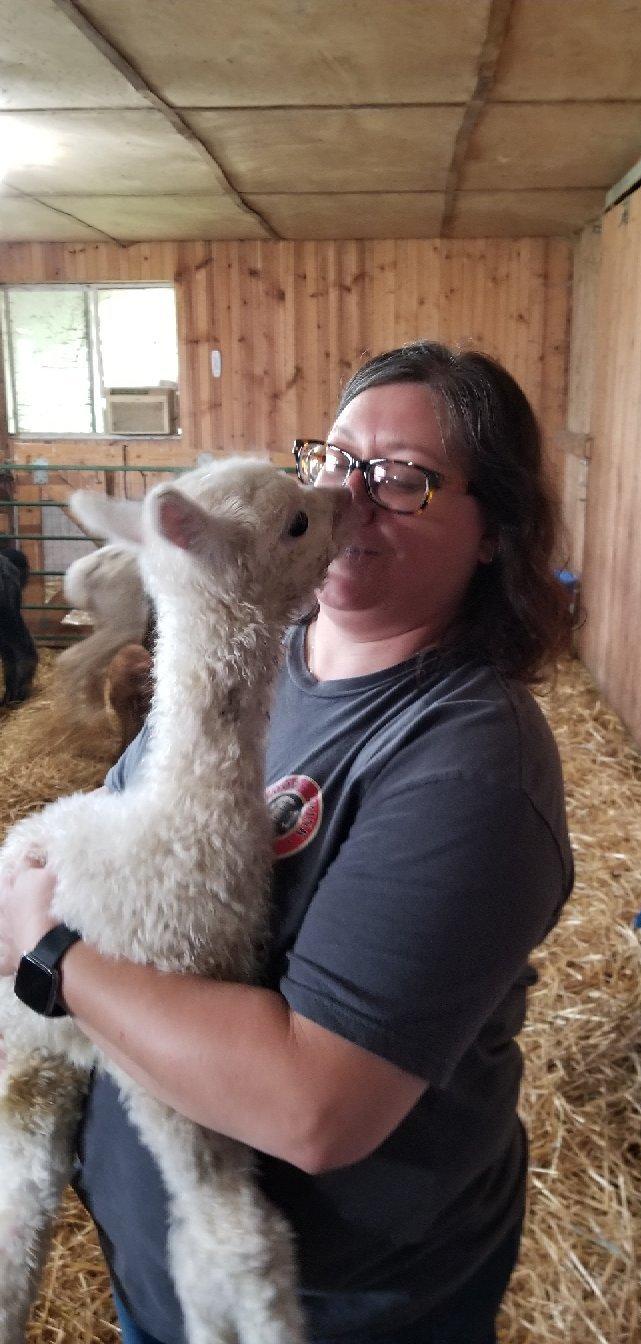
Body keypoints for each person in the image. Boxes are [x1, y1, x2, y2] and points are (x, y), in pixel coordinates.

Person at [0, 341, 574, 1344]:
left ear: (493, 532)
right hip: (166, 1268)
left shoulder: (468, 763)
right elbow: (133, 852)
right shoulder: (253, 661)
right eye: (339, 457)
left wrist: (48, 955)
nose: (351, 494)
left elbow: (314, 1107)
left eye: (404, 479)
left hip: (333, 1307)